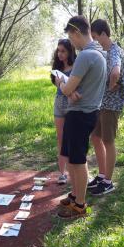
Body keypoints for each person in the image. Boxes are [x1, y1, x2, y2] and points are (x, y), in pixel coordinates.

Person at [54, 15, 107, 219]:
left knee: (77, 160)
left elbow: (67, 87)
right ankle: (75, 194)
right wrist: (70, 90)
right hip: (85, 112)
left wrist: (61, 83)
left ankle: (80, 205)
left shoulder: (86, 55)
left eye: (71, 37)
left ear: (77, 33)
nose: (72, 43)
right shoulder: (98, 54)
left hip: (80, 114)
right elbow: (77, 87)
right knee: (72, 156)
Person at [88, 19, 124, 195]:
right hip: (102, 103)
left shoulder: (113, 51)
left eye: (95, 37)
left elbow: (116, 72)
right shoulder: (106, 51)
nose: (95, 41)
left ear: (104, 34)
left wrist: (112, 85)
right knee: (95, 138)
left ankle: (108, 182)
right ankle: (102, 175)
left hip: (111, 105)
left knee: (108, 141)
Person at [51, 39, 77, 184]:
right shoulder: (57, 68)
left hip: (73, 104)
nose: (60, 54)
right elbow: (58, 85)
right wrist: (60, 83)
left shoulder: (77, 67)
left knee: (73, 139)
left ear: (70, 52)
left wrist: (64, 84)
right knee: (60, 139)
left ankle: (77, 172)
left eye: (63, 51)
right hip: (59, 103)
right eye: (58, 51)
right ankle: (62, 173)